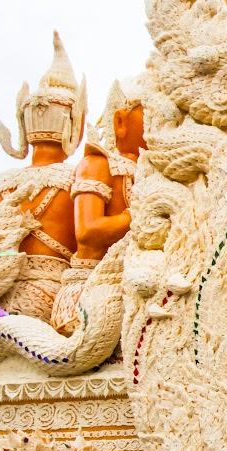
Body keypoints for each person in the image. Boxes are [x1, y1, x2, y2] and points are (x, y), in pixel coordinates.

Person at [0, 32, 87, 321]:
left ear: (24, 128)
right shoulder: (79, 179)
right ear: (72, 127)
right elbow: (90, 244)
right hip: (53, 297)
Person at [52, 76, 147, 332]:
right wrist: (140, 215)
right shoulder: (98, 164)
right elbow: (88, 231)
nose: (161, 124)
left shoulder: (153, 174)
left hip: (139, 283)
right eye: (151, 113)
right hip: (92, 288)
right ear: (120, 122)